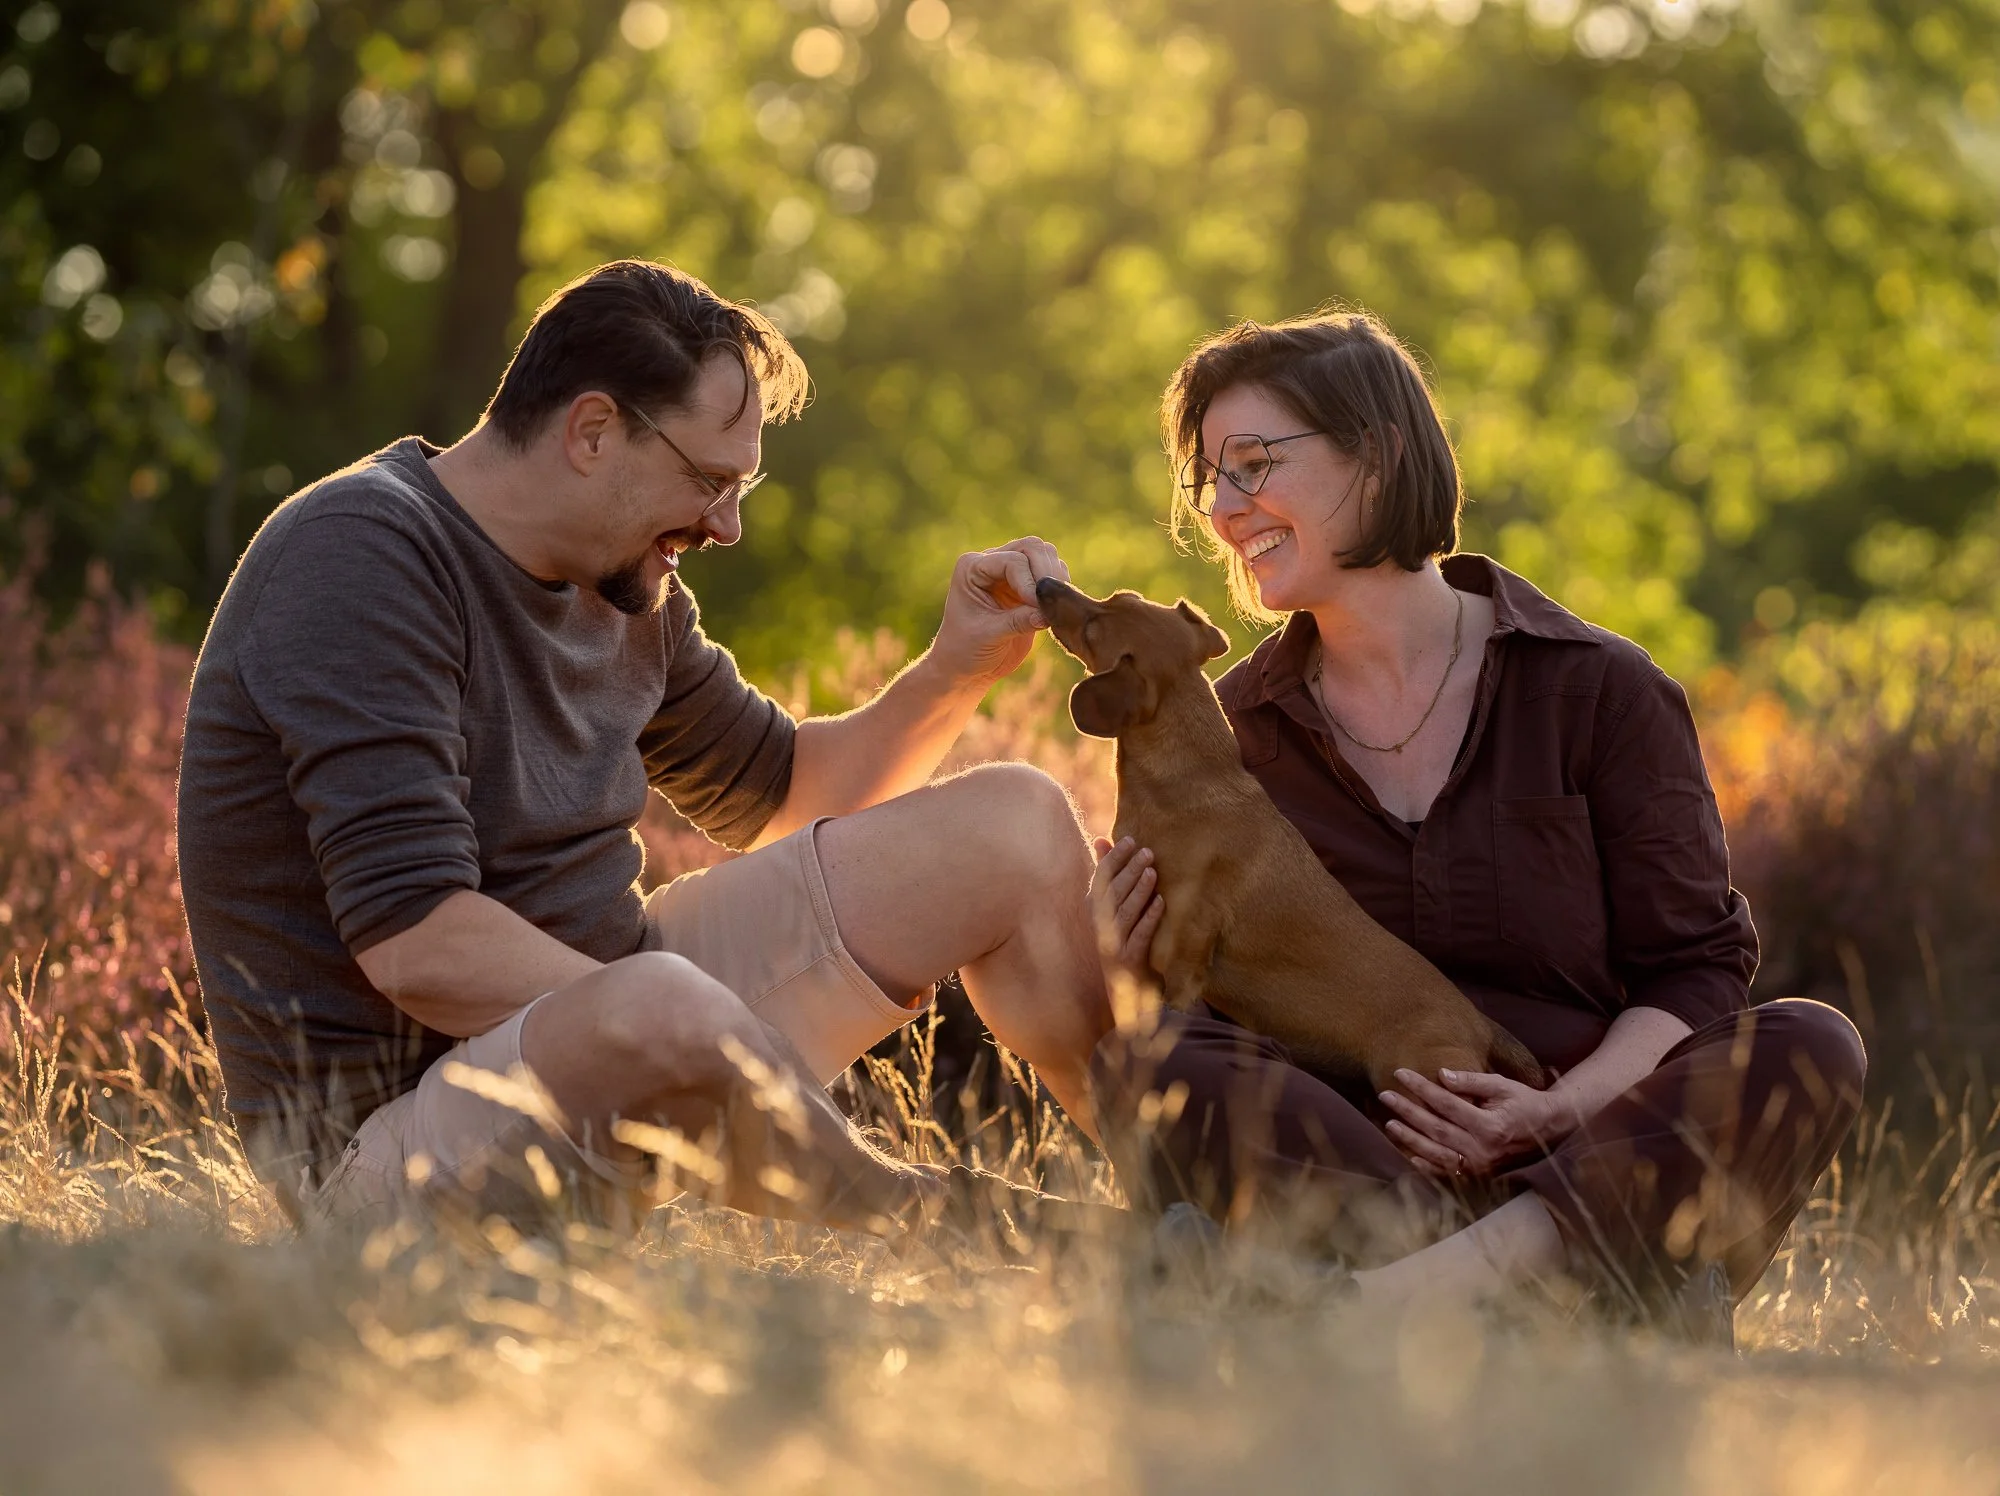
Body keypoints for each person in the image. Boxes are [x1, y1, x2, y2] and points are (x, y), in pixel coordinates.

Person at [178, 259, 1112, 1235]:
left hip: (629, 1005)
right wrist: (697, 1032)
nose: (727, 525)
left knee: (1015, 822)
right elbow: (419, 946)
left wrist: (956, 668)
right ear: (592, 431)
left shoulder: (624, 582)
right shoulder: (359, 555)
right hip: (389, 1144)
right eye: (710, 480)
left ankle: (1181, 1200)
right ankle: (979, 1231)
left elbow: (787, 791)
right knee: (662, 998)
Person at [1087, 310, 1865, 1336]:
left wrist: (1562, 1108)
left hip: (1592, 1145)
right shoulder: (1228, 736)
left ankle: (1391, 1300)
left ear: (1376, 455)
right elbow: (1220, 1007)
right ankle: (1578, 1309)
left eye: (1253, 464)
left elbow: (1695, 971)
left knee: (1809, 1045)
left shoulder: (1599, 690)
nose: (1225, 510)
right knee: (1147, 1059)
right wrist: (1131, 964)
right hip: (1366, 1162)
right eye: (1208, 479)